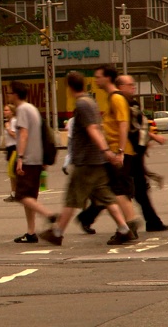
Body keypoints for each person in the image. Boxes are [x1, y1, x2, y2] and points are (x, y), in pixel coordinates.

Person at [39, 72, 134, 246]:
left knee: (72, 198)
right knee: (105, 196)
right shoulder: (90, 101)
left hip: (86, 161)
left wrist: (106, 150)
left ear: (69, 87)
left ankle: (57, 232)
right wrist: (105, 153)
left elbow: (92, 130)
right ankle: (124, 229)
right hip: (96, 161)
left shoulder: (82, 104)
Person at [82, 65, 142, 238]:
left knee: (118, 191)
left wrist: (120, 151)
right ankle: (129, 226)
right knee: (120, 190)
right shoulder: (113, 98)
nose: (96, 80)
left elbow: (123, 125)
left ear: (107, 78)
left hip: (118, 151)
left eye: (98, 77)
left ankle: (130, 225)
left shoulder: (116, 98)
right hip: (117, 151)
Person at [116, 75, 168, 232]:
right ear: (120, 87)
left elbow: (140, 126)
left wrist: (150, 138)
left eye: (133, 85)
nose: (133, 87)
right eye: (129, 85)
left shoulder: (132, 103)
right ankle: (89, 216)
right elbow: (129, 128)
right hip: (129, 152)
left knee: (138, 189)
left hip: (135, 152)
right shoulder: (122, 103)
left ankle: (152, 221)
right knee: (119, 190)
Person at [8, 81, 58, 243]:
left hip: (29, 158)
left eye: (9, 93)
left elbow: (23, 134)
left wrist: (20, 158)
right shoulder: (32, 108)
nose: (8, 96)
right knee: (31, 197)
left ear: (15, 94)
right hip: (38, 159)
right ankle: (31, 232)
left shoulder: (22, 109)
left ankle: (49, 215)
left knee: (21, 195)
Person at [3, 104, 18, 202]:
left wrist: (8, 128)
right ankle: (14, 193)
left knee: (13, 173)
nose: (5, 112)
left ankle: (15, 194)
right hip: (10, 149)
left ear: (12, 112)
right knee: (11, 173)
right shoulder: (9, 122)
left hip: (14, 149)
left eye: (7, 110)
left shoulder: (14, 121)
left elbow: (15, 135)